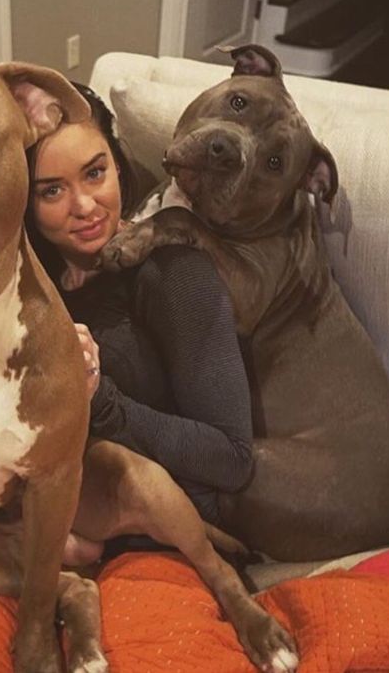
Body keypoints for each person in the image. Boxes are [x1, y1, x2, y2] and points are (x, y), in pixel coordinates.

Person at [24, 83, 253, 525]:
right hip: (59, 506)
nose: (85, 206)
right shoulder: (31, 281)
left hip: (172, 524)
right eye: (52, 191)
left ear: (118, 165)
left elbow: (232, 458)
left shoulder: (173, 272)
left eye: (95, 173)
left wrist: (99, 399)